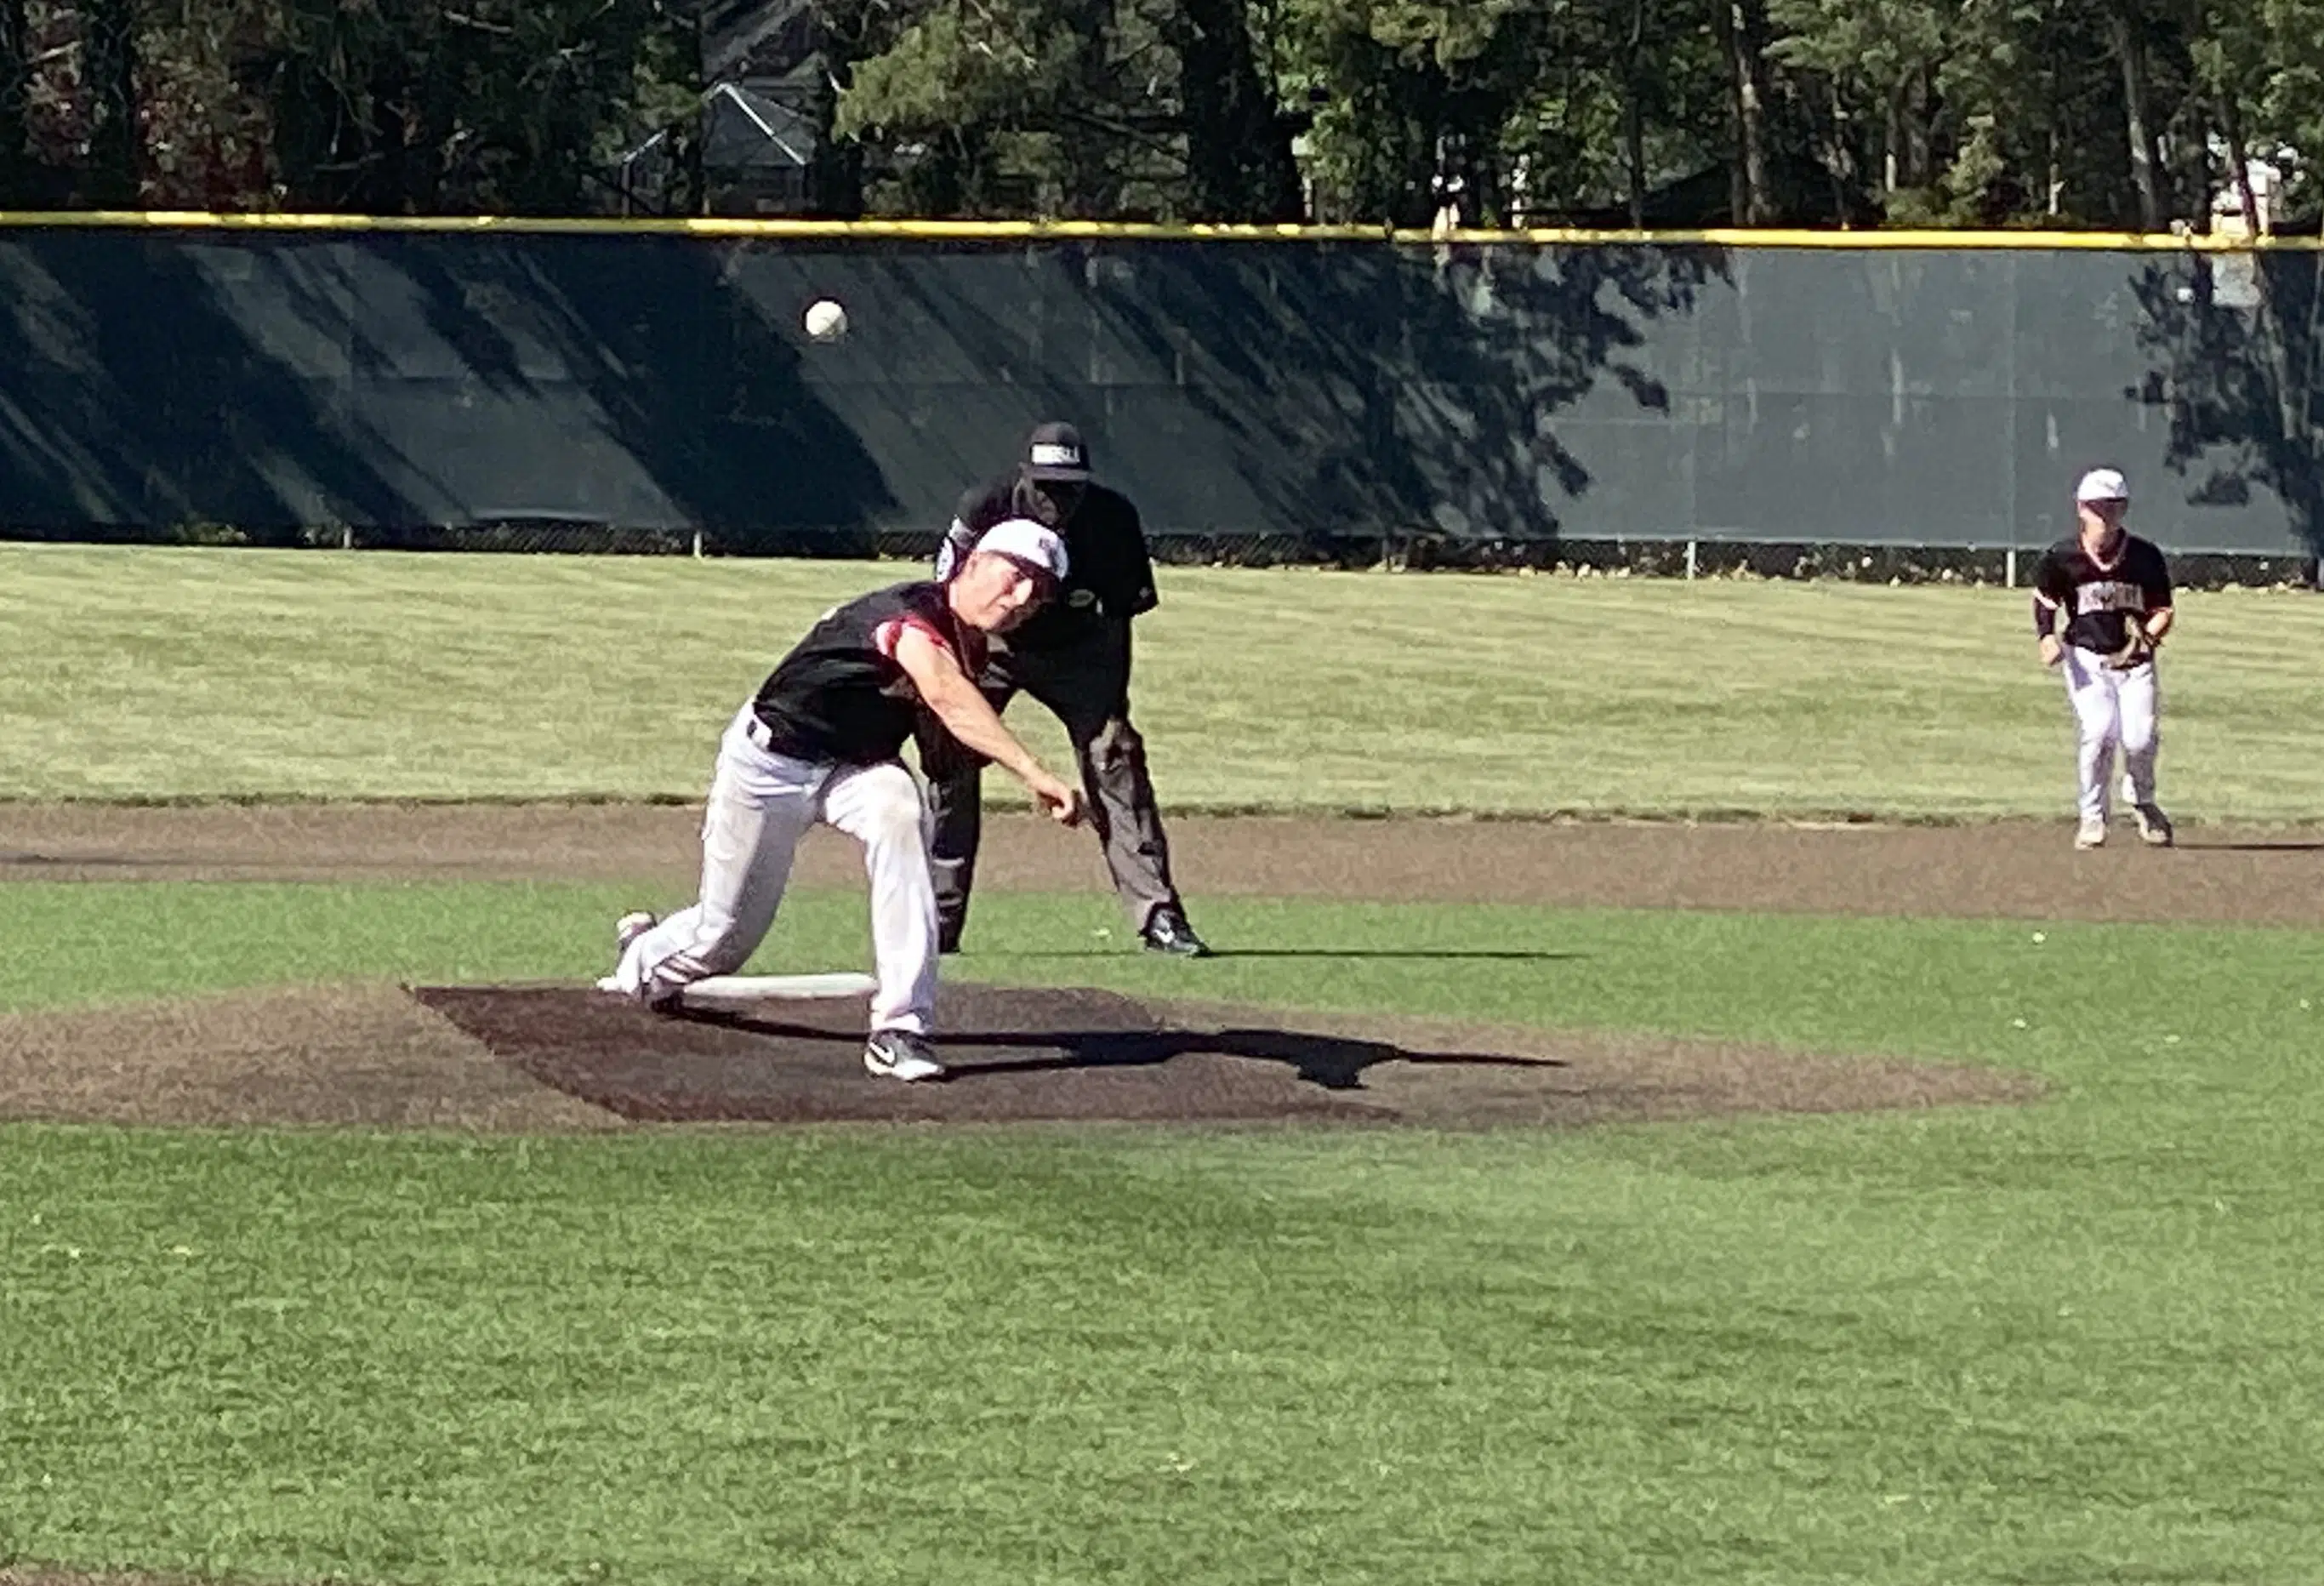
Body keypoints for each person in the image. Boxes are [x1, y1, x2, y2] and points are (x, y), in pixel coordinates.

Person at [603, 521, 1088, 1082]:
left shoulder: (976, 646)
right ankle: (644, 954)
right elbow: (944, 694)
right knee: (722, 940)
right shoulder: (909, 614)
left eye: (1040, 591)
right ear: (973, 563)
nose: (1023, 598)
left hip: (857, 768)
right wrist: (1032, 770)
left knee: (900, 814)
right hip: (770, 767)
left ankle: (901, 1026)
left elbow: (941, 740)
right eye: (1017, 576)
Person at [915, 420, 1211, 957]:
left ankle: (1158, 914)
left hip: (1080, 652)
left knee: (1114, 757)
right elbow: (947, 593)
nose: (1058, 498)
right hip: (991, 646)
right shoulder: (986, 504)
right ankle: (939, 919)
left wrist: (1110, 704)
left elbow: (1122, 613)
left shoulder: (1112, 518)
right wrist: (955, 673)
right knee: (948, 751)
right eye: (1046, 485)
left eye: (1069, 486)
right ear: (1027, 478)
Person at [2032, 467, 2178, 851]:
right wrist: (2046, 636)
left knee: (2140, 739)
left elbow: (2164, 609)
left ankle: (2143, 801)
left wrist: (2147, 635)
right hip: (2086, 660)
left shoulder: (2144, 557)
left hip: (2136, 665)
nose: (2106, 516)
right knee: (2099, 734)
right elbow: (2045, 600)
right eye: (2098, 507)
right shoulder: (2062, 558)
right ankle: (2093, 816)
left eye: (2114, 506)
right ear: (2081, 508)